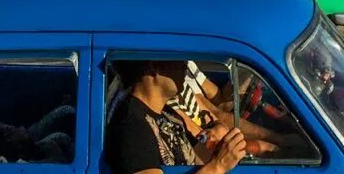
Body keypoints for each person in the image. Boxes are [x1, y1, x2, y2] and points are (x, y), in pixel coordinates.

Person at [105, 59, 246, 174]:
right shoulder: (132, 128)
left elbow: (199, 155)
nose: (185, 66)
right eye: (178, 60)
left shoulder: (169, 114)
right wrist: (218, 167)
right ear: (154, 66)